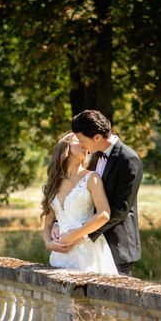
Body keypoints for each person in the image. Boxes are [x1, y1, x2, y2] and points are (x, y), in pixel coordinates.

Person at [52, 109, 142, 275]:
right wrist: (60, 224)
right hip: (85, 247)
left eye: (81, 140)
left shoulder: (129, 160)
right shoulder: (93, 154)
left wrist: (80, 235)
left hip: (117, 245)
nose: (81, 145)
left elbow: (120, 210)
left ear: (97, 137)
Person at [41, 134, 118, 274]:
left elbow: (104, 214)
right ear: (66, 147)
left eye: (85, 141)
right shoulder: (55, 182)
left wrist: (74, 235)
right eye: (79, 141)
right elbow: (48, 224)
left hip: (87, 252)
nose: (85, 145)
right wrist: (49, 244)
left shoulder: (92, 178)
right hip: (59, 255)